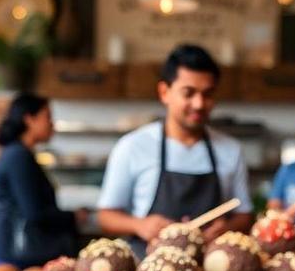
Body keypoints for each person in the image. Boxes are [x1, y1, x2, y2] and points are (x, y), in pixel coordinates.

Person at [98, 44, 254, 256]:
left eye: (207, 94)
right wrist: (139, 225)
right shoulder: (132, 146)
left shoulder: (230, 150)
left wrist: (226, 228)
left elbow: (244, 214)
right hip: (147, 269)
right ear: (164, 92)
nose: (199, 104)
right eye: (188, 93)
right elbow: (106, 216)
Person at [0, 93, 80, 267]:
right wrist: (72, 217)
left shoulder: (17, 153)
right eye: (47, 117)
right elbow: (34, 212)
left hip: (11, 251)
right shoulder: (18, 157)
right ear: (29, 119)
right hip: (17, 258)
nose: (52, 123)